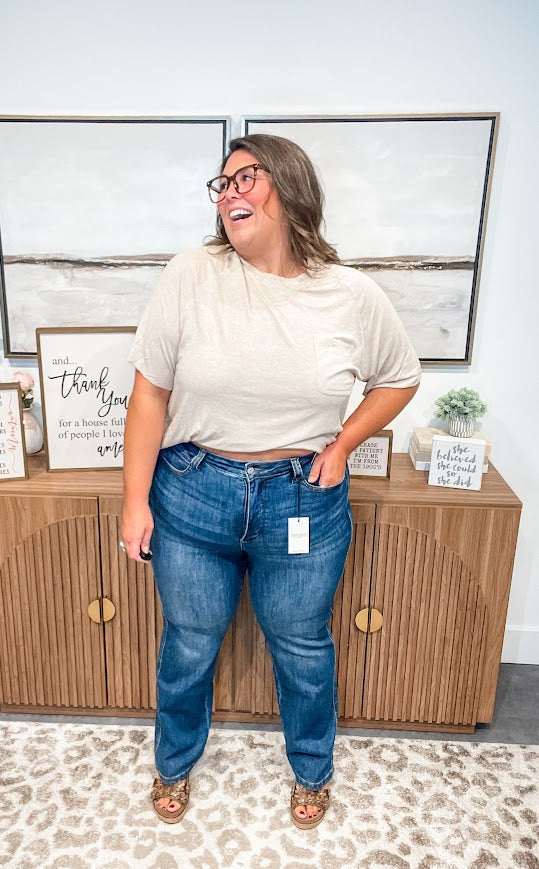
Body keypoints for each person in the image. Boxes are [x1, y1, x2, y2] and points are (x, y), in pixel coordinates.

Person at [121, 134, 421, 829]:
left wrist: (344, 442)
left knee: (301, 642)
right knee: (189, 639)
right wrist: (133, 500)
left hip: (301, 498)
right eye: (219, 183)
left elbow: (398, 377)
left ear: (287, 188)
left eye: (244, 178)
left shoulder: (350, 294)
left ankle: (311, 769)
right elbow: (148, 395)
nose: (227, 193)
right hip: (193, 490)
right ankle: (173, 763)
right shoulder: (190, 273)